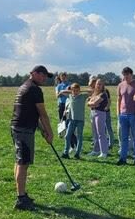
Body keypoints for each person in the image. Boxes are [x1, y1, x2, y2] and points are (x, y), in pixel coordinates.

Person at [10, 65, 54, 210]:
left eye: (46, 76)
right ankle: (21, 199)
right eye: (42, 75)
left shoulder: (24, 86)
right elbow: (42, 113)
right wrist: (50, 132)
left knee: (20, 161)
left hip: (18, 127)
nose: (44, 78)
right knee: (23, 163)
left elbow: (30, 112)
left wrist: (42, 130)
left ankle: (22, 194)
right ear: (34, 74)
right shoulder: (34, 89)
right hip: (24, 130)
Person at [116, 67, 135, 166]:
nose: (125, 76)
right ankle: (123, 158)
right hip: (123, 115)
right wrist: (118, 112)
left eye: (127, 74)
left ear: (131, 74)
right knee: (124, 138)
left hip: (134, 115)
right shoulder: (120, 85)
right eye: (124, 75)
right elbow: (119, 99)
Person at [61, 83, 86, 159]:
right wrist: (70, 91)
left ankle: (77, 153)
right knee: (67, 136)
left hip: (80, 120)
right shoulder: (70, 96)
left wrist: (81, 91)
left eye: (77, 90)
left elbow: (92, 91)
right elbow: (62, 91)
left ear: (79, 90)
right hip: (71, 120)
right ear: (71, 91)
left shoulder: (83, 96)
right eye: (74, 90)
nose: (75, 92)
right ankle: (66, 153)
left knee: (79, 137)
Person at [87, 78, 109, 158]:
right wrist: (91, 103)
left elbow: (94, 103)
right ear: (95, 85)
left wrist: (92, 103)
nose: (99, 85)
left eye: (100, 84)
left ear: (103, 85)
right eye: (97, 84)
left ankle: (104, 152)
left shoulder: (103, 94)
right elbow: (89, 103)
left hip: (100, 114)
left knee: (101, 133)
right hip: (93, 112)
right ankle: (96, 150)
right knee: (95, 133)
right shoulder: (94, 93)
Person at [55, 73, 76, 150]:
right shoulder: (59, 86)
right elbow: (57, 95)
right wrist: (63, 92)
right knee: (63, 122)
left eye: (64, 77)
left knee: (69, 123)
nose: (63, 78)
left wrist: (62, 92)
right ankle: (65, 136)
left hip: (69, 105)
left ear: (66, 77)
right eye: (62, 77)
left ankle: (72, 143)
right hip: (61, 105)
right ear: (60, 78)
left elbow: (72, 92)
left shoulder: (70, 84)